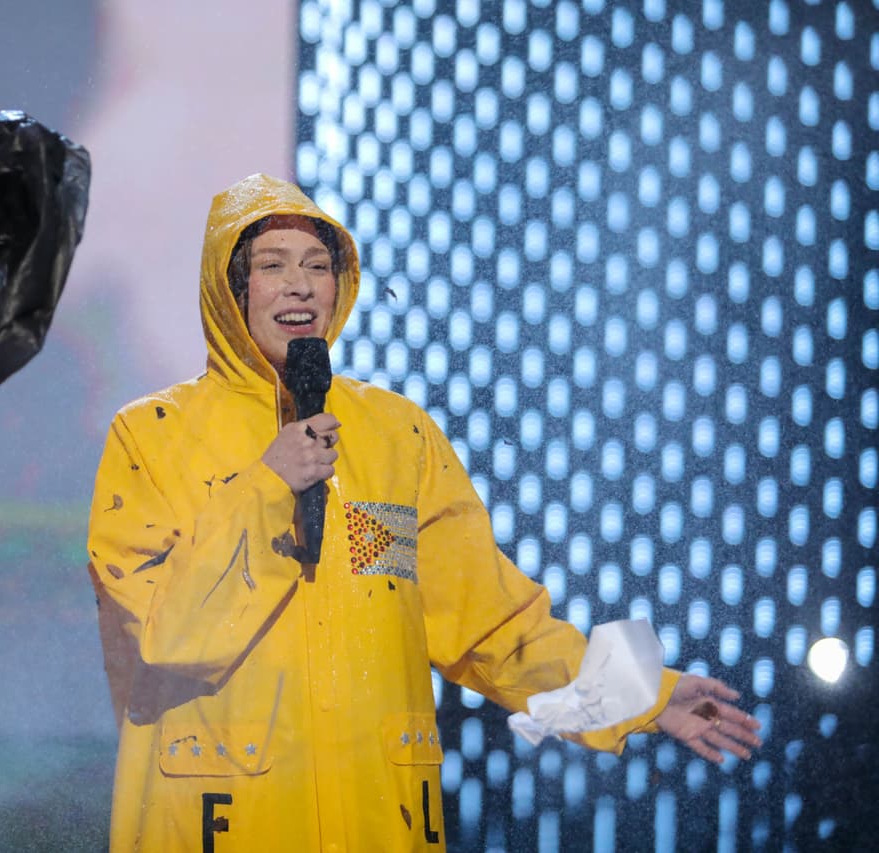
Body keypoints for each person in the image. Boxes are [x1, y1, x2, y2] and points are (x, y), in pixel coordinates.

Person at [85, 174, 761, 852]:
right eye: (272, 266)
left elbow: (493, 624)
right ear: (229, 291)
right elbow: (162, 637)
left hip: (377, 818)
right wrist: (268, 485)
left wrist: (642, 692)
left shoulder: (395, 435)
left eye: (319, 266)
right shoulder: (154, 436)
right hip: (221, 819)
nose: (300, 285)